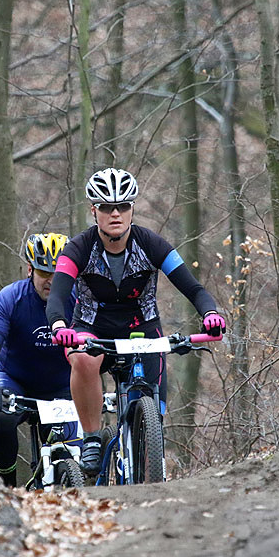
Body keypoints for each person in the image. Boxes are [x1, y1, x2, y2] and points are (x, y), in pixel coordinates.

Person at [46, 168, 226, 476]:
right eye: (106, 207)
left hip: (141, 327)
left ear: (133, 209)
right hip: (92, 326)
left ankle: (147, 459)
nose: (115, 213)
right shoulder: (78, 248)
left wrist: (210, 314)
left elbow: (193, 288)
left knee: (155, 410)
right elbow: (58, 294)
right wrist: (59, 326)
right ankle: (91, 438)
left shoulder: (152, 244)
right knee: (84, 360)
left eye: (123, 206)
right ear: (94, 211)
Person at [0, 233, 75, 487]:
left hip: (62, 386)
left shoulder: (81, 301)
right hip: (14, 380)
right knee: (1, 417)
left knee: (76, 453)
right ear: (30, 270)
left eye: (58, 273)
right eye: (43, 272)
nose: (51, 280)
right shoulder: (10, 299)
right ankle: (6, 487)